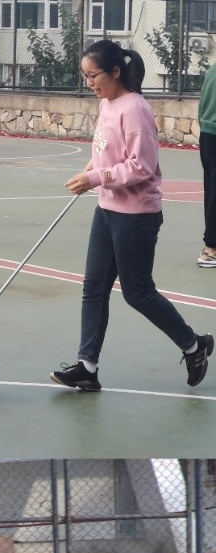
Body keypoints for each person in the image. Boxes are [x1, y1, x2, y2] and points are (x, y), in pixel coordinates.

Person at [51, 39, 213, 392]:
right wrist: (90, 169)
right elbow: (107, 150)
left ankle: (194, 345)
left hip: (136, 216)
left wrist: (96, 178)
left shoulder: (135, 109)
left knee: (137, 291)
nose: (89, 82)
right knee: (94, 288)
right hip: (107, 210)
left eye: (93, 75)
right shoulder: (107, 103)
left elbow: (142, 166)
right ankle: (87, 366)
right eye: (85, 76)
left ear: (115, 72)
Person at [197, 59, 216, 266]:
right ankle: (211, 249)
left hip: (207, 134)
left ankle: (210, 246)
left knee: (211, 192)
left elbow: (201, 107)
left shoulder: (211, 71)